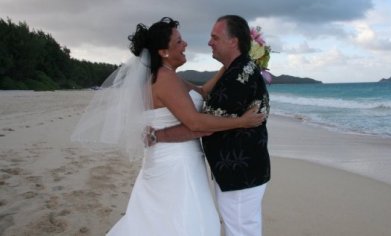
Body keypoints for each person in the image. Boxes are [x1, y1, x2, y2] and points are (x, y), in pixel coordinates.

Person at [71, 17, 264, 236]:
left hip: (166, 159)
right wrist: (242, 121)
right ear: (163, 51)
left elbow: (202, 92)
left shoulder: (167, 76)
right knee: (189, 222)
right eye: (179, 42)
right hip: (178, 164)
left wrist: (226, 67)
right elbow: (196, 123)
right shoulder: (165, 79)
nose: (185, 45)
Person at [150, 15, 270, 236]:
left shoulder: (237, 77)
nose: (208, 42)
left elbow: (202, 124)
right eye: (179, 41)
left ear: (233, 42)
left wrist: (159, 135)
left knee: (240, 230)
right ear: (163, 51)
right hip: (234, 169)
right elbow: (203, 95)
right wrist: (227, 66)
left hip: (239, 173)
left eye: (214, 37)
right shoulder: (237, 70)